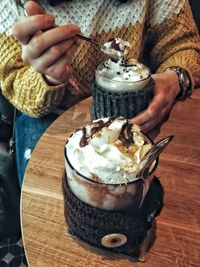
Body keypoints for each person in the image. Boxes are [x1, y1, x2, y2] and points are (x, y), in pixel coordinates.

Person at [0, 0, 200, 187]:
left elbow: (184, 44)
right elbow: (13, 82)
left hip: (136, 110)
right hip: (51, 115)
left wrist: (177, 77)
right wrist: (47, 78)